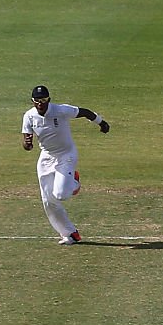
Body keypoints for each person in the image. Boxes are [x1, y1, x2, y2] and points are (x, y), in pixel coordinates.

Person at [21, 85, 110, 245]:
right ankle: (70, 234)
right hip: (46, 158)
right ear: (33, 102)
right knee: (48, 200)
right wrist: (27, 144)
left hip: (66, 155)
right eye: (37, 101)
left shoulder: (60, 110)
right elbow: (26, 142)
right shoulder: (29, 116)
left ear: (49, 99)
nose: (41, 103)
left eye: (44, 100)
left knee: (61, 194)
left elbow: (84, 112)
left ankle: (74, 183)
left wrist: (101, 122)